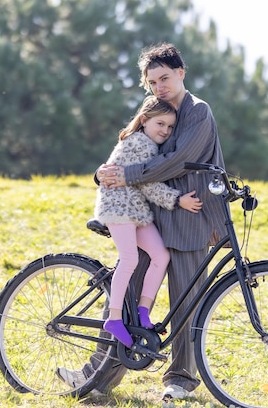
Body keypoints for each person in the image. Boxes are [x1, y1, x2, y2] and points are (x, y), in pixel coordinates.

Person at [57, 42, 226, 401]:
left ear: (182, 73)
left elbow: (178, 161)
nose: (159, 86)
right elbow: (131, 144)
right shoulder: (157, 110)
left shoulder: (198, 112)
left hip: (188, 217)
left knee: (185, 302)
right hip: (148, 215)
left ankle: (179, 380)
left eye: (165, 77)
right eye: (152, 82)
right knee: (124, 296)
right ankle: (94, 377)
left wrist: (124, 175)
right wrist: (105, 173)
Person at [94, 95, 201, 347]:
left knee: (161, 256)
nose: (165, 130)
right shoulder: (139, 143)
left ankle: (143, 311)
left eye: (170, 127)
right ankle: (114, 318)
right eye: (160, 124)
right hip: (119, 206)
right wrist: (178, 200)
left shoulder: (148, 144)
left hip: (136, 211)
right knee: (130, 258)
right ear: (144, 121)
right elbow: (147, 182)